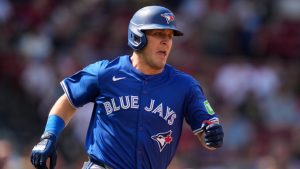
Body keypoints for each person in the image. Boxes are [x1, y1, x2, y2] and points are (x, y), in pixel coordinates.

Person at [30, 5, 224, 169]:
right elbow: (68, 101)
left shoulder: (185, 85)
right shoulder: (105, 72)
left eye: (170, 35)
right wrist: (49, 136)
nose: (166, 41)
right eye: (158, 34)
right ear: (137, 37)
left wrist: (212, 135)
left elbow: (207, 133)